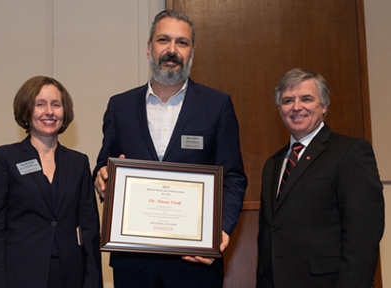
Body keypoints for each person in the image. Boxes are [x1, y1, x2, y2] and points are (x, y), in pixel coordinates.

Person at [93, 10, 247, 288]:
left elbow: (233, 176)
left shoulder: (217, 105)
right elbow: (104, 164)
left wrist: (221, 230)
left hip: (195, 263)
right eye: (164, 40)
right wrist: (103, 178)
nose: (172, 50)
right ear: (149, 48)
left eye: (182, 42)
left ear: (192, 52)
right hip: (134, 264)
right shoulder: (120, 106)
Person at [257, 68, 384, 287]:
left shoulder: (350, 152)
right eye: (288, 100)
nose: (296, 107)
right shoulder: (273, 164)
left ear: (323, 106)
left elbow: (364, 235)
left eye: (306, 99)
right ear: (280, 109)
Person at [0, 76, 103, 288]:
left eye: (56, 105)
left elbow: (90, 229)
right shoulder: (4, 159)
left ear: (64, 112)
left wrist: (93, 282)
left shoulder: (78, 162)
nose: (49, 112)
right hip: (19, 275)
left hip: (71, 275)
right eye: (40, 104)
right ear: (27, 110)